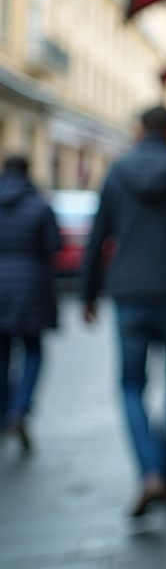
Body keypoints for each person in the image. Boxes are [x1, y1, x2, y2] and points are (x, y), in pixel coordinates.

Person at [80, 105, 166, 517]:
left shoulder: (119, 172)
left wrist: (89, 294)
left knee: (130, 385)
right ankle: (165, 471)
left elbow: (97, 236)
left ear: (140, 130)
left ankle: (150, 473)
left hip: (129, 295)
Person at [0, 155, 60, 453]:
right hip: (31, 284)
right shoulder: (39, 205)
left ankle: (4, 413)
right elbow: (54, 247)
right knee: (33, 349)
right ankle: (21, 408)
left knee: (2, 352)